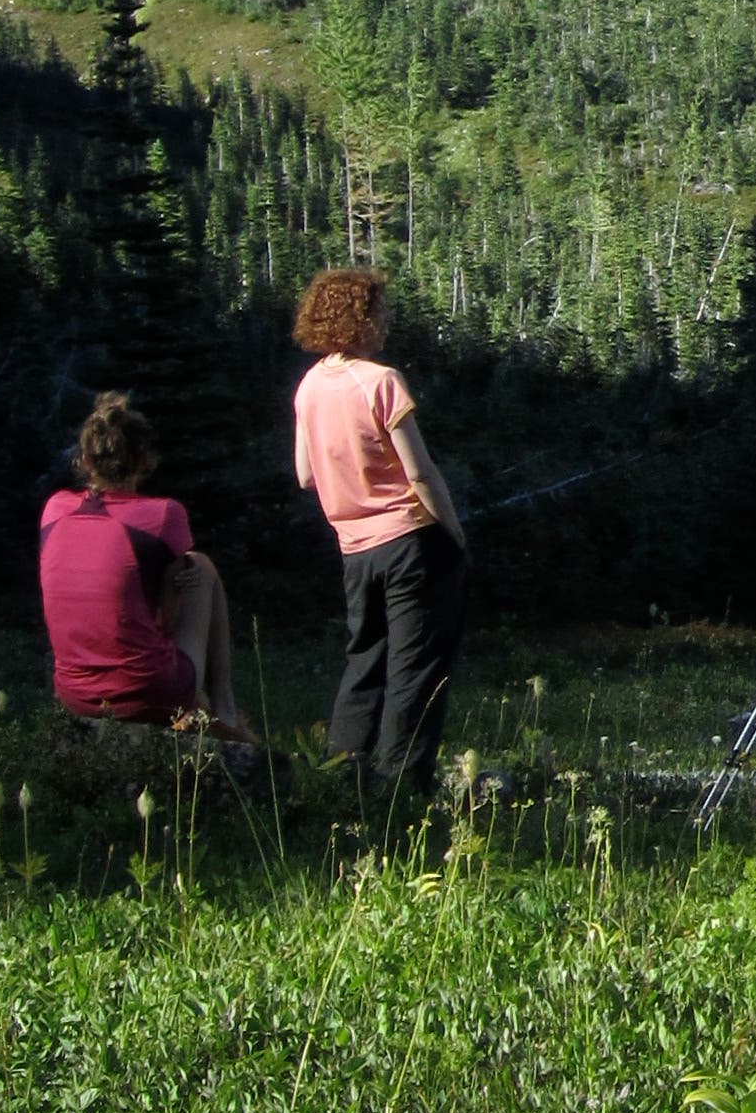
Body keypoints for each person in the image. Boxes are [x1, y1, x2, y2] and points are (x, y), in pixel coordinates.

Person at [290, 267, 471, 796]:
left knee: (364, 659)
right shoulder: (381, 381)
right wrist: (454, 532)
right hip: (411, 540)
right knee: (414, 668)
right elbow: (419, 471)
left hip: (354, 548)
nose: (386, 319)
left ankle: (339, 776)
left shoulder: (311, 386)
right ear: (360, 318)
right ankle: (402, 787)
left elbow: (305, 473)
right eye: (380, 309)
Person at [38, 392, 259, 756]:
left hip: (72, 693)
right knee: (201, 566)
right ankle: (225, 708)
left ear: (85, 459)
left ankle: (218, 713)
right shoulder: (162, 516)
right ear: (144, 461)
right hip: (146, 690)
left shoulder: (55, 510)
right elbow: (168, 619)